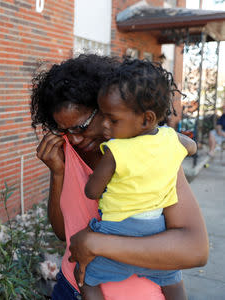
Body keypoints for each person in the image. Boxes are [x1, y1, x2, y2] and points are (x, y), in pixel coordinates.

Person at [31, 54, 208, 300]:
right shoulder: (68, 151)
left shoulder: (153, 155)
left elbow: (195, 249)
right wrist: (58, 173)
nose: (74, 139)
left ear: (107, 108)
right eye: (63, 130)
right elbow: (65, 234)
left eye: (80, 127)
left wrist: (98, 244)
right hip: (69, 288)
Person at [81, 59, 197, 300]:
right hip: (156, 231)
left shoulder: (116, 150)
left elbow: (92, 192)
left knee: (86, 279)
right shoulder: (170, 139)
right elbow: (193, 147)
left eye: (112, 120)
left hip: (117, 230)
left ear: (146, 119)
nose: (105, 125)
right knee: (172, 280)